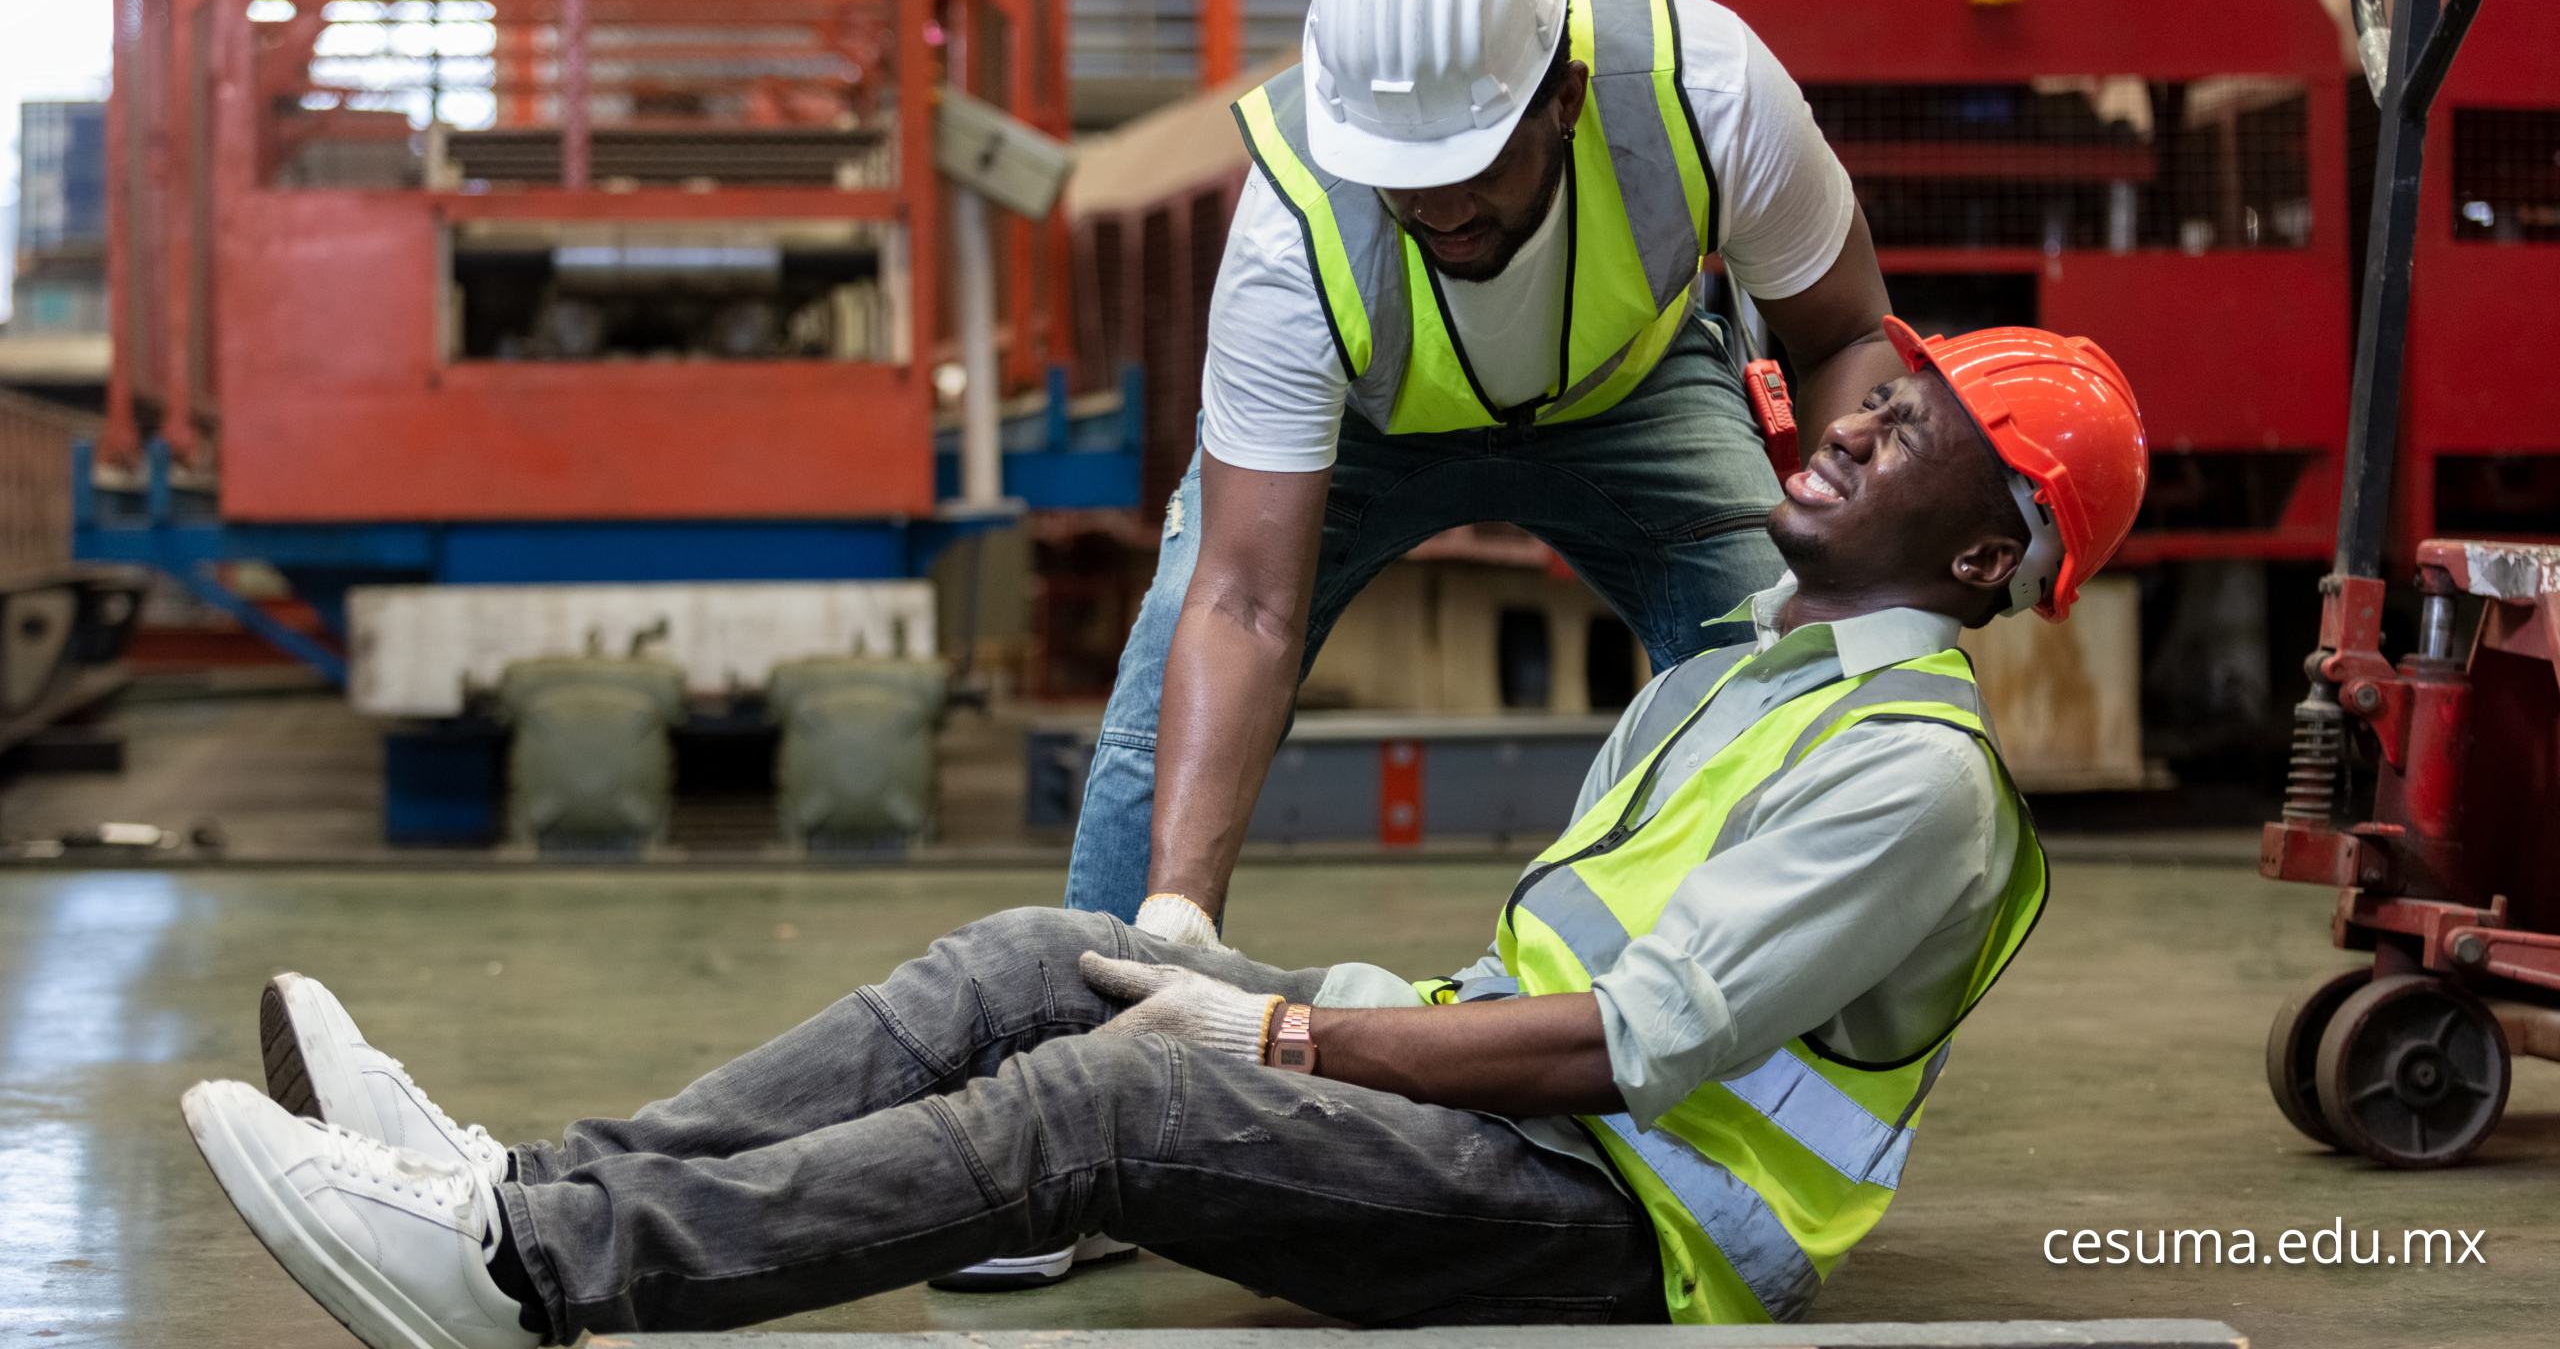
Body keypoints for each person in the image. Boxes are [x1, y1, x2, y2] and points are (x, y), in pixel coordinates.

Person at [181, 319, 2147, 1343]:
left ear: (1980, 555)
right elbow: (1534, 996)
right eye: (1872, 400)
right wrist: (1264, 983)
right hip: (1516, 1126)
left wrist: (1277, 1036)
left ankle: (534, 1275)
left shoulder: (1908, 776)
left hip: (1626, 1233)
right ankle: (519, 1184)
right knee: (1054, 961)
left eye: (1905, 440)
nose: (1847, 427)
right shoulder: (1750, 674)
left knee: (1117, 1108)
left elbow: (1620, 1046)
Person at [1068, 0, 1907, 955]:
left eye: (1472, 160)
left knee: (1781, 651)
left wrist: (1852, 560)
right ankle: (1101, 1024)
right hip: (1365, 430)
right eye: (1399, 167)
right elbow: (1244, 605)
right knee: (1167, 708)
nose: (1436, 203)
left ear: (1566, 97)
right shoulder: (1292, 227)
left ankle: (1766, 996)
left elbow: (1847, 336)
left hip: (1631, 397)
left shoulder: (1710, 94)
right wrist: (1177, 925)